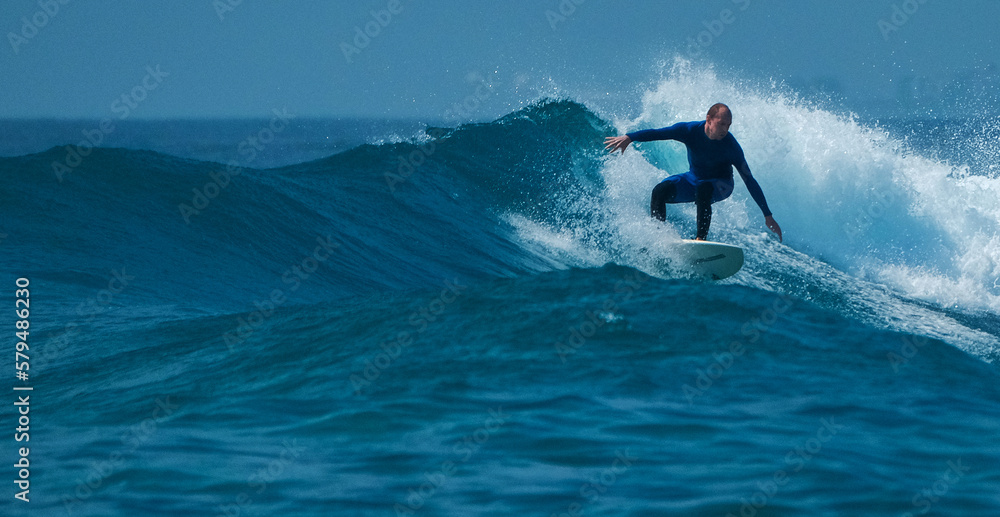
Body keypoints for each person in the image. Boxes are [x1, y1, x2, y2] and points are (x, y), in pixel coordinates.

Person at [604, 103, 782, 242]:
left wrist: (768, 215)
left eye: (728, 125)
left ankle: (700, 240)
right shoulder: (689, 131)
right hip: (693, 179)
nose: (725, 129)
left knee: (704, 189)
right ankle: (658, 236)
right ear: (709, 119)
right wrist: (630, 137)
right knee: (659, 191)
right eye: (721, 124)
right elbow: (659, 133)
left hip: (721, 185)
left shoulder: (731, 146)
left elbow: (749, 179)